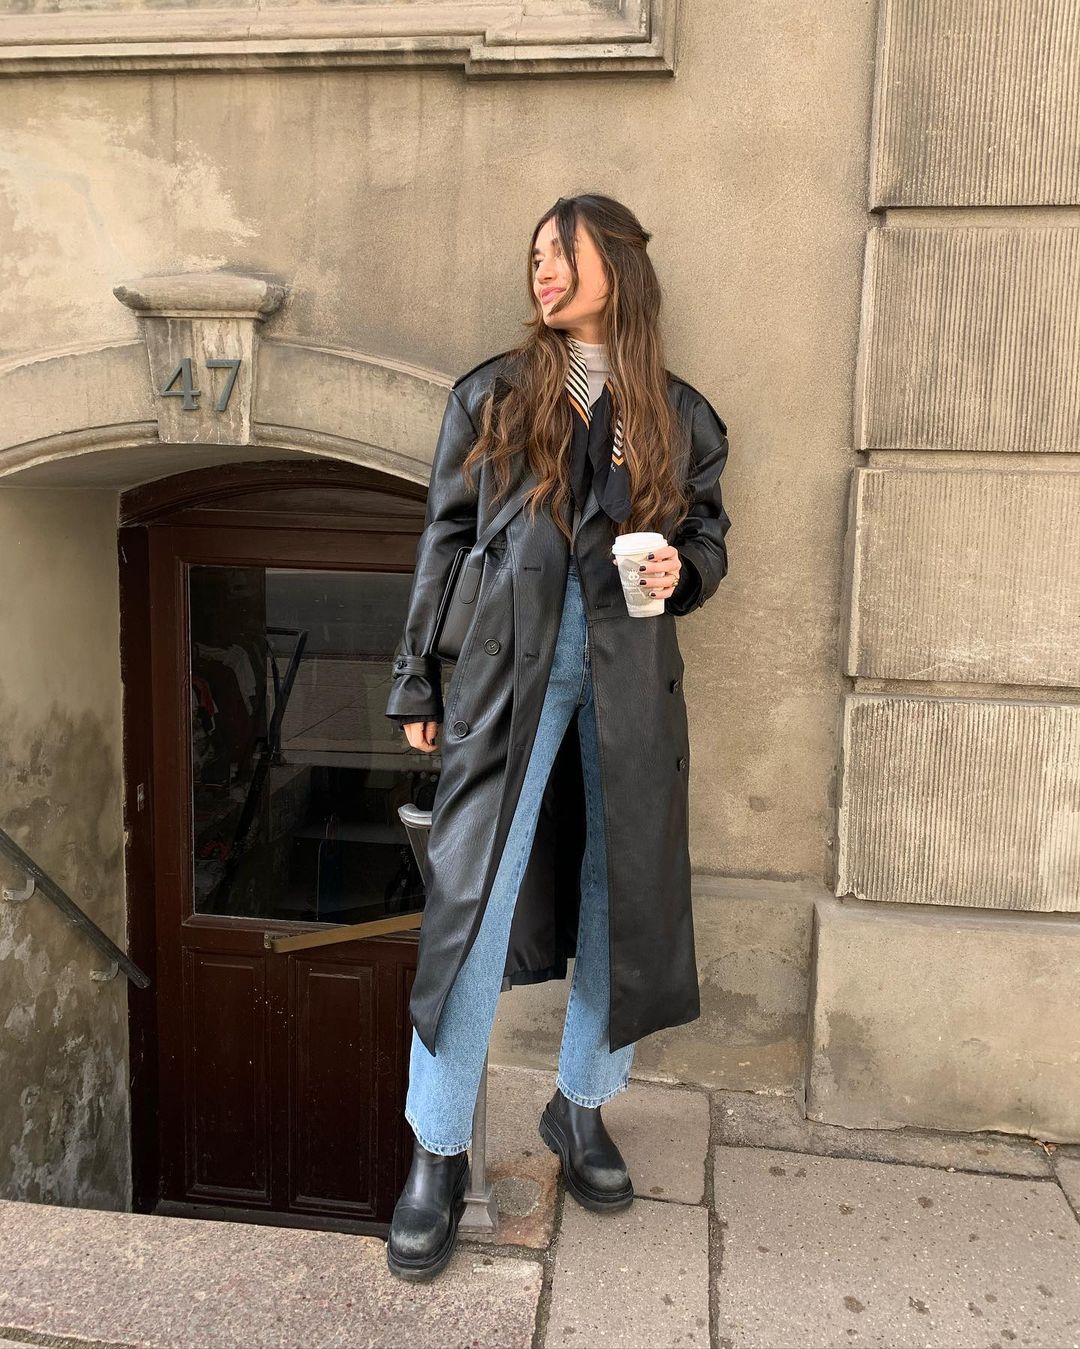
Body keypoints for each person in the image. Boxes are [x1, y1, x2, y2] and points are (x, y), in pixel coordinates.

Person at [383, 193, 731, 1281]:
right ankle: (438, 1149)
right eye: (535, 254)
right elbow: (444, 537)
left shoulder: (678, 414)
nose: (543, 271)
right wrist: (416, 674)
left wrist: (682, 569)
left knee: (619, 897)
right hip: (506, 677)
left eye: (564, 254)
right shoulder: (492, 395)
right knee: (470, 904)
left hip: (630, 685)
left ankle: (580, 1104)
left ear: (616, 265)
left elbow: (708, 537)